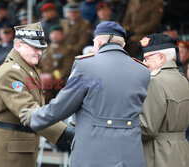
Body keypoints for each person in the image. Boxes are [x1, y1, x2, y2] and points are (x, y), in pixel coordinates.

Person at [20, 21, 150, 167]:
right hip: (130, 154)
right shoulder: (143, 70)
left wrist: (34, 117)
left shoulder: (86, 66)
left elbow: (62, 106)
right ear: (123, 44)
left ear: (99, 42)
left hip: (93, 153)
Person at [0, 22, 74, 167]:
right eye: (34, 47)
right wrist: (63, 132)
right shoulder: (11, 73)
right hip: (7, 149)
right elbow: (28, 110)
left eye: (41, 48)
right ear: (18, 46)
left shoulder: (25, 68)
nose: (39, 52)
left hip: (17, 145)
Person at [138, 33, 189, 167]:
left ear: (161, 57)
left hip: (158, 154)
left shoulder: (155, 81)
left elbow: (146, 128)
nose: (144, 63)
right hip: (181, 152)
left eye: (147, 59)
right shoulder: (183, 79)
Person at [38, 24, 74, 103]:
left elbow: (67, 69)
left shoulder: (68, 50)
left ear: (62, 35)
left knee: (44, 85)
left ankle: (47, 109)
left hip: (60, 79)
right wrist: (39, 74)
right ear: (50, 35)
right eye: (53, 34)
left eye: (57, 34)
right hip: (43, 78)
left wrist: (50, 75)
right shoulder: (45, 49)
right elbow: (38, 65)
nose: (55, 36)